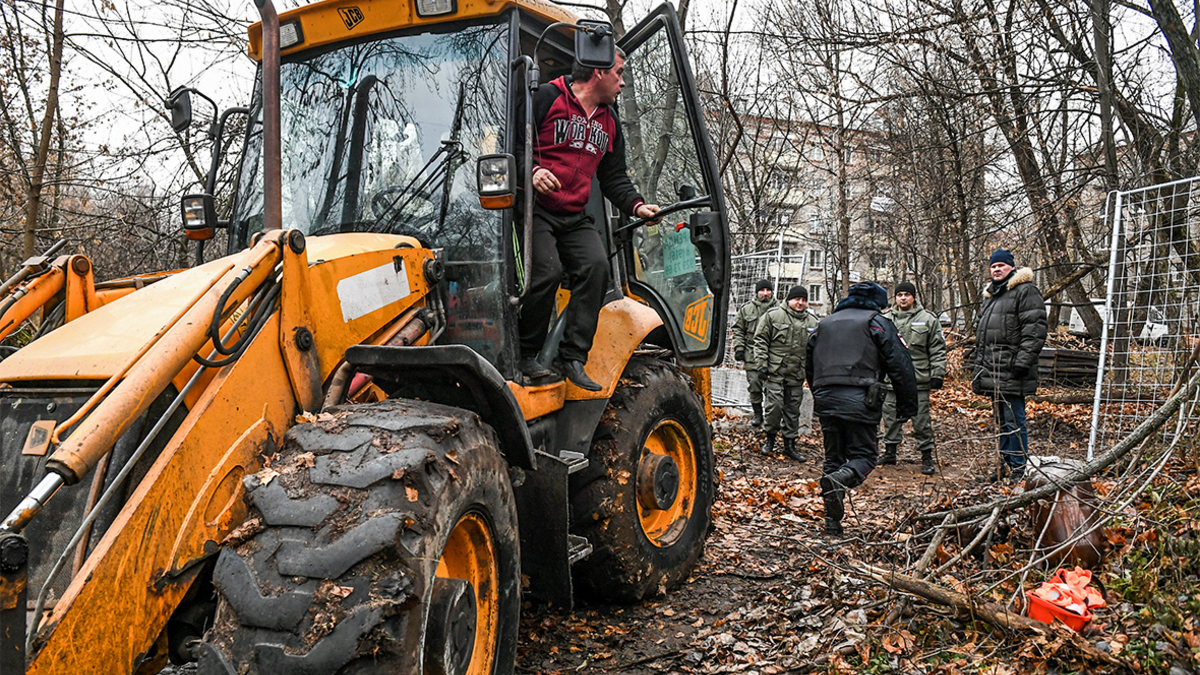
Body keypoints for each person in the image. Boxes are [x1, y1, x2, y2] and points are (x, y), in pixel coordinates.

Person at [517, 50, 661, 391]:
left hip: (574, 214)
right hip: (535, 209)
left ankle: (573, 358)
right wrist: (533, 172)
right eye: (619, 73)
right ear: (598, 72)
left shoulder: (609, 121)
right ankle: (525, 353)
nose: (623, 82)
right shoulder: (548, 97)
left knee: (597, 267)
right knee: (547, 271)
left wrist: (637, 206)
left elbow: (614, 177)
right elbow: (512, 147)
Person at [807, 281, 917, 535]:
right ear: (878, 304)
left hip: (826, 398)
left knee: (833, 458)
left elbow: (809, 364)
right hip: (862, 399)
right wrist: (907, 405)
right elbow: (900, 365)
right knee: (865, 456)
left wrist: (820, 395)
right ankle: (839, 480)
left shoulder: (823, 324)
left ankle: (832, 523)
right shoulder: (877, 323)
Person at [972, 248, 1047, 483]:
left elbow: (1034, 331)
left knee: (1015, 420)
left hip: (1013, 370)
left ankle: (1018, 468)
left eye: (1001, 266)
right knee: (1002, 420)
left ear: (1011, 268)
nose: (996, 269)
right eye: (993, 266)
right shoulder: (992, 296)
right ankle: (1004, 465)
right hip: (994, 370)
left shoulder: (1025, 291)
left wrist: (1021, 363)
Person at [880, 281, 947, 475]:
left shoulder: (927, 319)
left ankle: (926, 456)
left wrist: (937, 373)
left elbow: (937, 349)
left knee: (921, 420)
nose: (902, 298)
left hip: (918, 379)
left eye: (906, 295)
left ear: (913, 297)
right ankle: (890, 452)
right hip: (892, 380)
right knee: (890, 418)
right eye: (899, 294)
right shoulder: (885, 319)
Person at [752, 285, 819, 460]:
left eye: (804, 300)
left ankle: (790, 445)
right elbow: (760, 340)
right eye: (797, 299)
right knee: (774, 407)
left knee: (792, 410)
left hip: (796, 374)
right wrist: (761, 365)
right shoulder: (773, 316)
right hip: (775, 372)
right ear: (789, 299)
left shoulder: (813, 322)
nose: (800, 303)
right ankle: (770, 440)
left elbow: (817, 349)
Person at [732, 280, 778, 427]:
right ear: (757, 292)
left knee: (773, 390)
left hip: (774, 355)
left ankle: (773, 418)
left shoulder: (779, 309)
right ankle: (758, 414)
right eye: (762, 290)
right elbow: (738, 330)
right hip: (752, 355)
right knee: (754, 385)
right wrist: (739, 348)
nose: (765, 293)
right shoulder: (747, 310)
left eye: (768, 290)